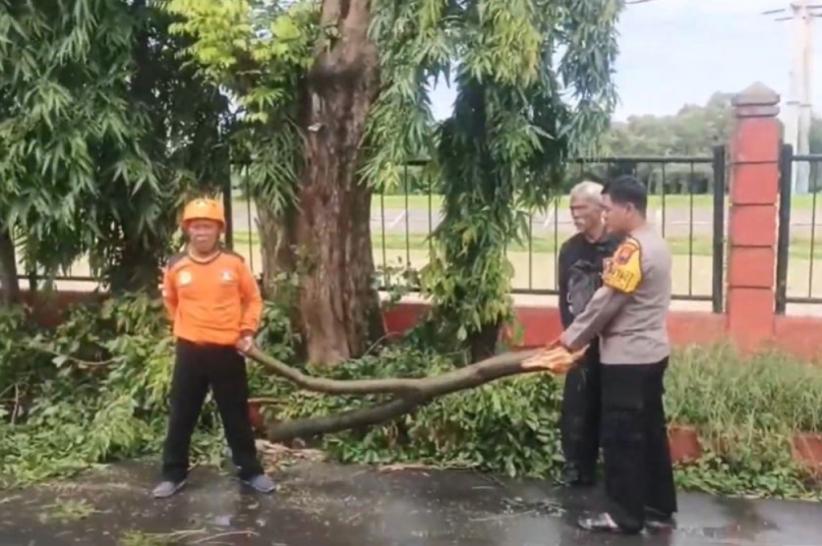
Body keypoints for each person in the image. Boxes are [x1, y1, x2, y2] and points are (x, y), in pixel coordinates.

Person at [556, 175, 677, 534]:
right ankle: (657, 505)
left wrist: (570, 339)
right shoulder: (657, 241)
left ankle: (623, 515)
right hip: (653, 352)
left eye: (608, 210)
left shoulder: (632, 249)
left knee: (622, 436)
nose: (604, 217)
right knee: (651, 431)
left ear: (628, 208)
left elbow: (605, 302)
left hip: (627, 359)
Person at [152, 197, 275, 499]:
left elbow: (253, 299)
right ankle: (173, 474)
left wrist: (247, 331)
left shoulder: (234, 264)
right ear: (187, 230)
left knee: (235, 414)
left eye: (207, 226)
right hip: (190, 351)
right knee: (182, 413)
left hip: (228, 351)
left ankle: (250, 471)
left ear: (219, 230)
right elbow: (170, 300)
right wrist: (186, 327)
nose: (201, 232)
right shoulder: (176, 265)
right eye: (195, 227)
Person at [556, 179, 620, 487]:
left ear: (600, 209)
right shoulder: (570, 250)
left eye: (581, 208)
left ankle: (614, 471)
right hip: (579, 342)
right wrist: (569, 335)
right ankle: (576, 466)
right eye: (571, 209)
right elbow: (562, 295)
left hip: (614, 342)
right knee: (577, 407)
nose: (575, 215)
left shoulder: (620, 247)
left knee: (611, 406)